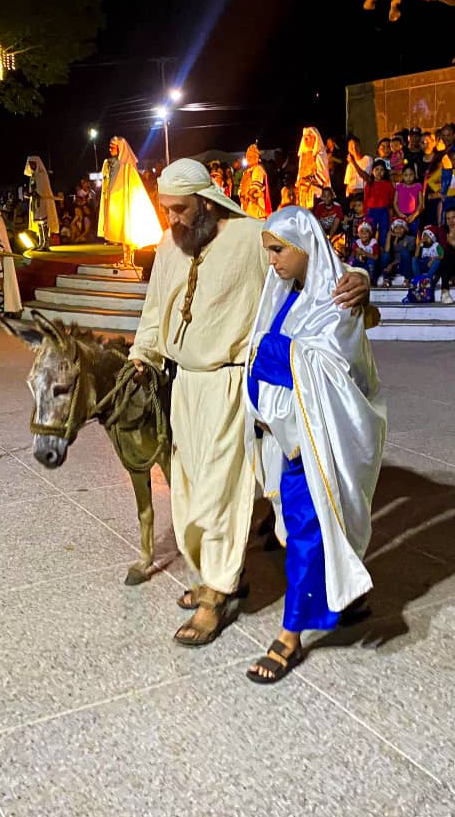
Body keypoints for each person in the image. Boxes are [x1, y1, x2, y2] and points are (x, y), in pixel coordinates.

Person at [127, 159, 370, 646]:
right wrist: (141, 357)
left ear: (206, 200)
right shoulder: (168, 247)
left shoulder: (250, 237)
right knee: (190, 491)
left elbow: (316, 265)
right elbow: (156, 311)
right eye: (166, 209)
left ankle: (218, 593)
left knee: (221, 491)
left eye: (180, 209)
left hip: (231, 384)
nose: (172, 219)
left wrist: (359, 277)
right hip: (184, 385)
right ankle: (219, 576)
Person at [243, 205, 386, 683]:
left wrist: (266, 353)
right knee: (324, 521)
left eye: (279, 250)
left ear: (307, 246)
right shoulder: (288, 291)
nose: (273, 262)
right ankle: (348, 595)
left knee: (309, 526)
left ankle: (290, 635)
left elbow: (333, 367)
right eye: (269, 252)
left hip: (324, 436)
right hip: (296, 434)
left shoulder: (339, 292)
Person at [97, 137, 163, 265]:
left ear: (120, 148)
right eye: (109, 146)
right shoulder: (110, 163)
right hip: (116, 202)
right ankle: (125, 257)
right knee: (121, 229)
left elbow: (130, 184)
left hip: (127, 202)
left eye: (113, 146)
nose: (110, 149)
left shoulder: (127, 165)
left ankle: (129, 258)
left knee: (128, 229)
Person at [22, 155, 59, 249]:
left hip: (42, 201)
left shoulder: (42, 175)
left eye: (33, 164)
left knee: (44, 222)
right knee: (38, 223)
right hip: (35, 202)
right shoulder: (32, 176)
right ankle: (41, 242)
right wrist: (29, 194)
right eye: (30, 164)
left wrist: (33, 193)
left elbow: (43, 190)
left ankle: (46, 243)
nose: (31, 166)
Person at [295, 126, 329, 209]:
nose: (306, 141)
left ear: (315, 139)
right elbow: (300, 173)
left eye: (309, 138)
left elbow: (323, 176)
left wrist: (308, 182)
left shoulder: (319, 155)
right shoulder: (303, 156)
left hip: (315, 193)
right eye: (305, 138)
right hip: (303, 193)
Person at [238, 144, 272, 220]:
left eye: (251, 156)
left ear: (256, 157)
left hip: (255, 207)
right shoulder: (246, 172)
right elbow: (241, 187)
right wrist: (241, 195)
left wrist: (248, 195)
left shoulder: (258, 169)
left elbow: (255, 188)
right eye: (247, 156)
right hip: (246, 206)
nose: (248, 158)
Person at [343, 135, 373, 201]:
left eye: (356, 145)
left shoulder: (367, 159)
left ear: (359, 146)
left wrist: (353, 163)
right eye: (351, 147)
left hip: (362, 194)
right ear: (349, 150)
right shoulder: (349, 166)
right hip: (351, 196)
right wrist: (347, 196)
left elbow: (367, 178)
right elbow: (347, 184)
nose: (354, 149)